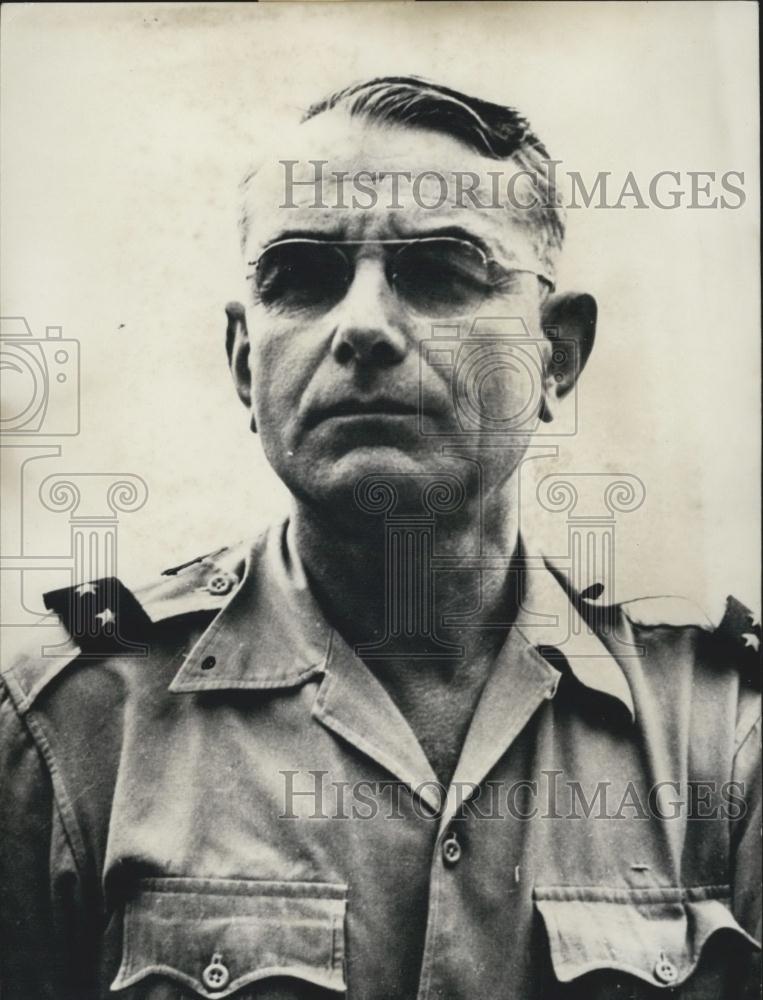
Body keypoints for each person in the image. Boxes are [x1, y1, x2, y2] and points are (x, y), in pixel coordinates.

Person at [1, 76, 760, 1000]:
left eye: (440, 273)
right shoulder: (72, 728)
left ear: (554, 355)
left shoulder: (720, 735)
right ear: (246, 362)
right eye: (304, 279)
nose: (360, 326)